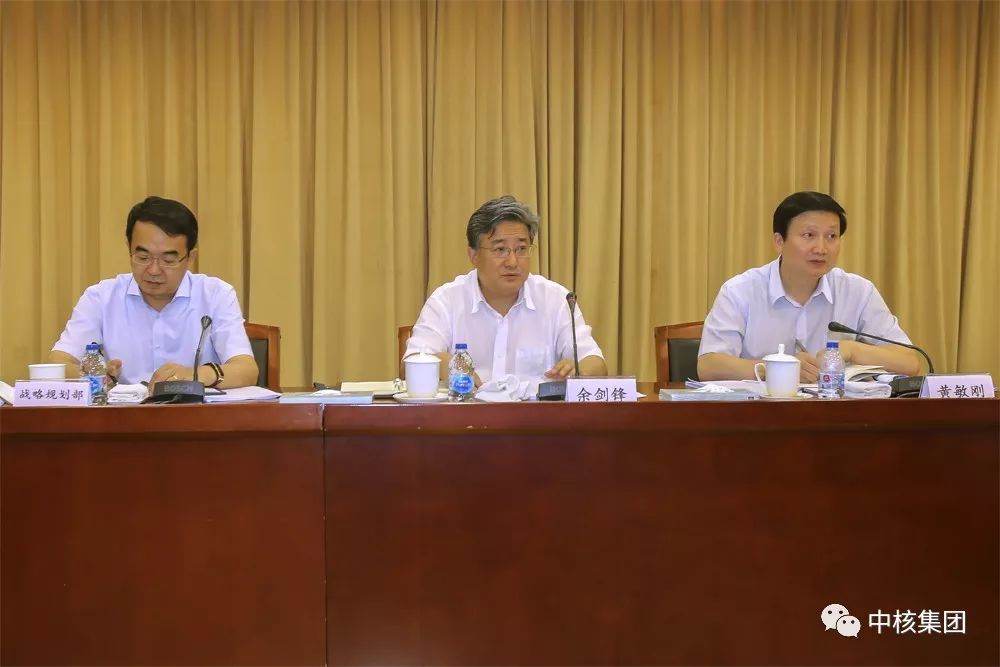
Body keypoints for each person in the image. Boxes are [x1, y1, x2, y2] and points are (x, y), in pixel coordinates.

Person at [698, 191, 920, 382]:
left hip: (837, 415)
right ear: (779, 241)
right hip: (761, 414)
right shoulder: (740, 291)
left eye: (831, 236)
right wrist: (776, 369)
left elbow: (910, 362)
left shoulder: (858, 292)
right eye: (809, 235)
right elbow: (709, 366)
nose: (821, 248)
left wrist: (852, 350)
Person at [49, 196, 258, 390]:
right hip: (123, 415)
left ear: (190, 257)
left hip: (195, 414)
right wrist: (93, 373)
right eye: (143, 257)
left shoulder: (216, 295)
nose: (154, 270)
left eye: (168, 260)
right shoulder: (101, 298)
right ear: (129, 248)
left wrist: (195, 375)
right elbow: (59, 363)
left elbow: (247, 370)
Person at [405, 195, 607, 385]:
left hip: (535, 412)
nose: (512, 262)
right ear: (473, 255)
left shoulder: (555, 299)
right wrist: (453, 366)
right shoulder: (447, 300)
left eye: (521, 249)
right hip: (468, 410)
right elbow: (412, 361)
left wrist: (578, 369)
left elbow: (595, 362)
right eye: (500, 250)